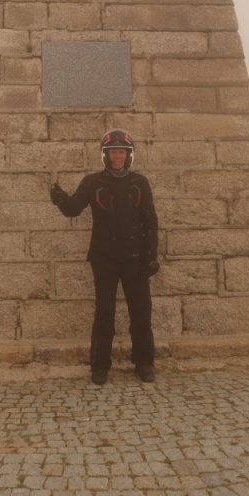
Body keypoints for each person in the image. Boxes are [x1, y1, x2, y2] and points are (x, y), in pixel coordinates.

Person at [50, 129, 160, 385]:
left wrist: (152, 256)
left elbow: (150, 221)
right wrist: (60, 199)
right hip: (104, 258)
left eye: (122, 152)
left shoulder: (140, 183)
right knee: (104, 313)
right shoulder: (92, 182)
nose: (117, 156)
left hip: (136, 258)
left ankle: (144, 363)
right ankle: (99, 366)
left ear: (128, 155)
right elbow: (73, 209)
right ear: (106, 155)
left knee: (141, 313)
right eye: (113, 152)